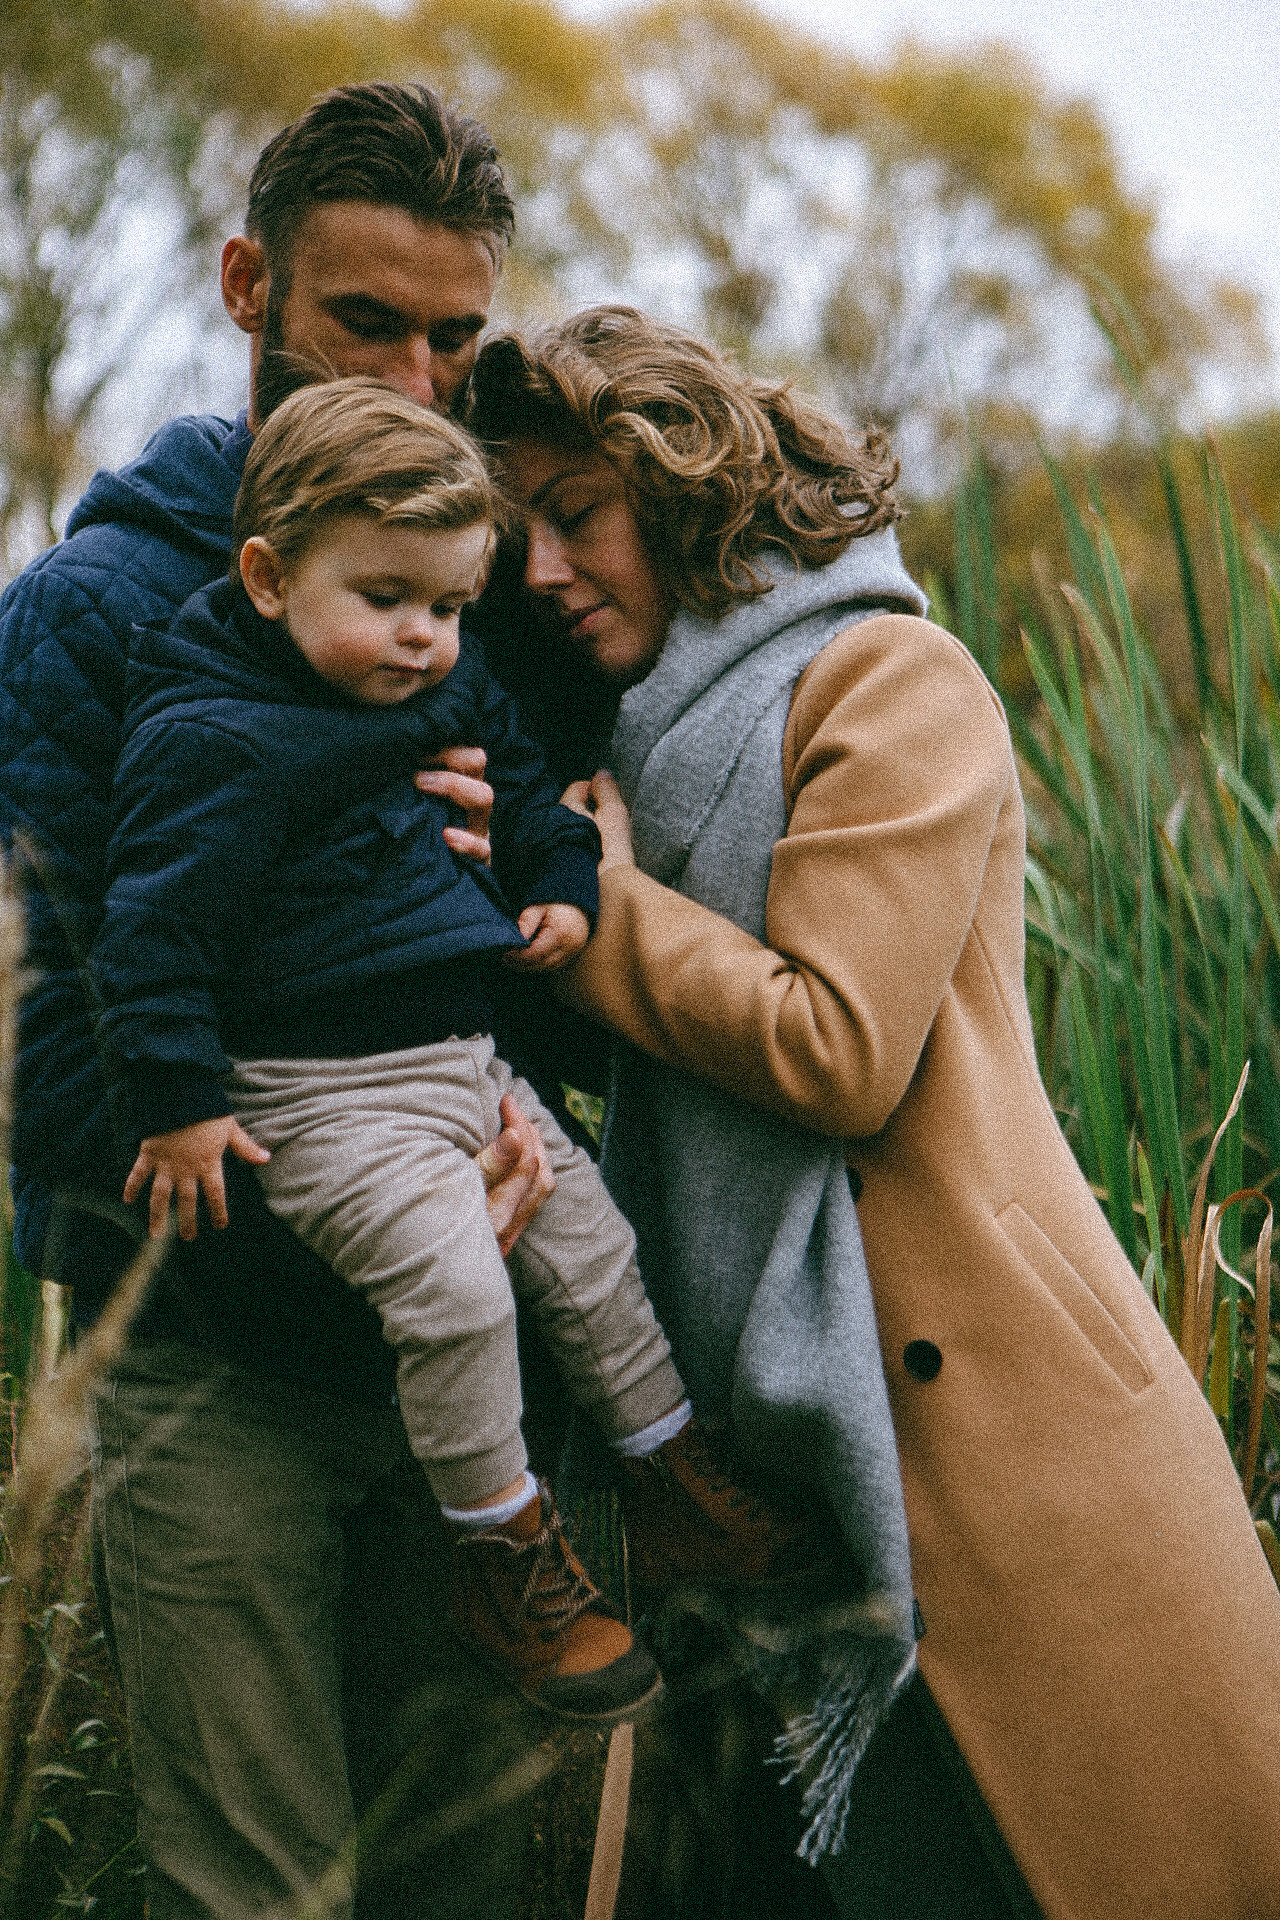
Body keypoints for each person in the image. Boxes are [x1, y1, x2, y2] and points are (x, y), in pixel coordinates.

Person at [468, 306, 1280, 1920]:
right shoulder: (593, 745)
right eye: (517, 532)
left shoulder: (893, 681)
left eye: (575, 514)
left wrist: (595, 906)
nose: (542, 569)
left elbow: (840, 1047)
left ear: (687, 481)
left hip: (978, 1434)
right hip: (734, 1473)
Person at [0, 82, 567, 1920]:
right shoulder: (91, 615)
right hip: (217, 1368)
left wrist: (536, 890)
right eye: (365, 323)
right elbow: (52, 1053)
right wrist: (359, 1212)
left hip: (474, 1369)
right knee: (251, 1891)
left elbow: (548, 991)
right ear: (248, 284)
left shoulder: (486, 604)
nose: (416, 382)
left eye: (457, 339)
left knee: (471, 1878)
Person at [93, 373, 826, 1723]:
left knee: (594, 1253)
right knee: (463, 1298)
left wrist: (559, 881)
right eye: (387, 602)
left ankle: (670, 1482)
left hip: (458, 1063)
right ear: (266, 577)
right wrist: (179, 1103)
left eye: (446, 606)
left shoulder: (429, 676)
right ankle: (505, 1554)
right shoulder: (213, 736)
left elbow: (526, 780)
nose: (423, 640)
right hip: (321, 1102)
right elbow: (150, 934)